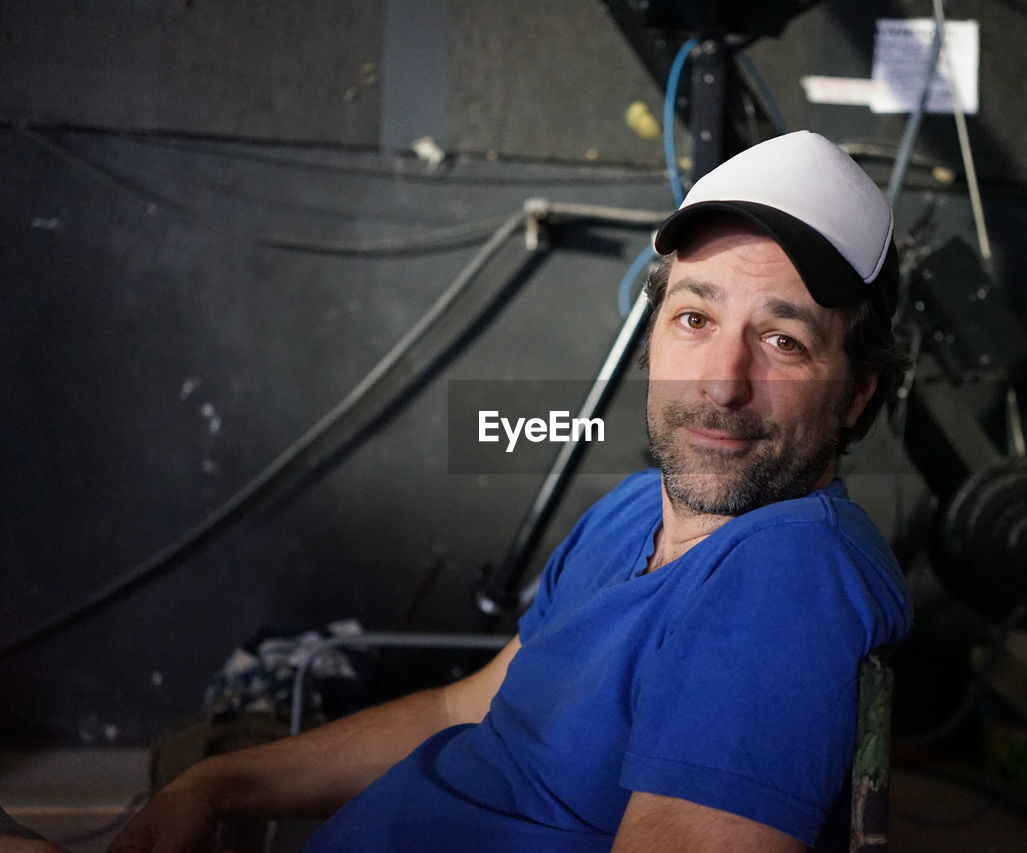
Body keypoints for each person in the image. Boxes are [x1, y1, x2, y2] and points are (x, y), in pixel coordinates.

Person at [106, 131, 912, 852]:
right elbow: (465, 709)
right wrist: (215, 787)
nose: (721, 384)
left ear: (857, 392)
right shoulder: (633, 509)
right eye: (695, 318)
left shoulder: (784, 575)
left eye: (782, 340)